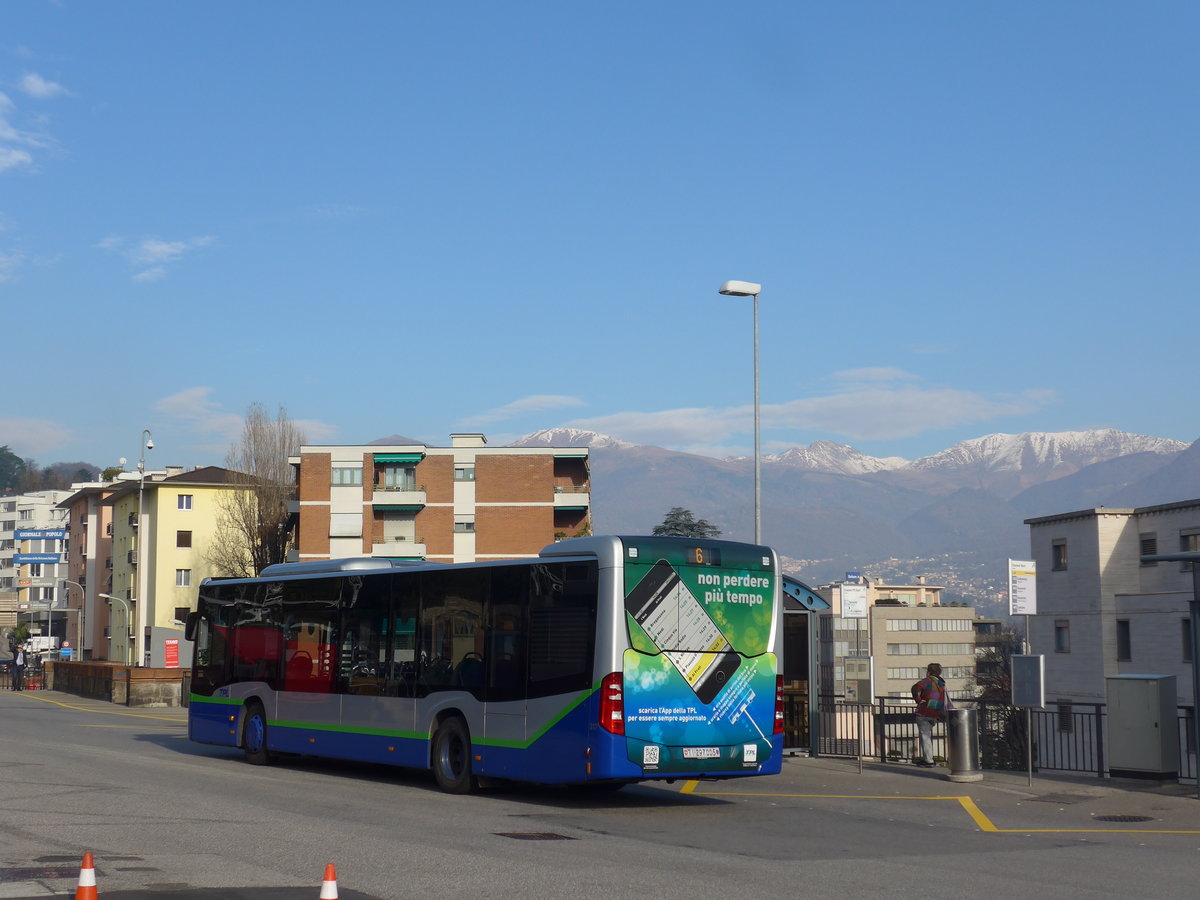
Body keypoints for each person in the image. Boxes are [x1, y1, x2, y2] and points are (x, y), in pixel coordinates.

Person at [911, 662, 948, 767]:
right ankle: (927, 758)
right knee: (926, 735)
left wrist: (918, 700)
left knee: (925, 736)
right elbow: (936, 696)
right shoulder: (941, 683)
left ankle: (928, 760)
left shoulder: (928, 681)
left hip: (924, 712)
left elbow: (915, 688)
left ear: (929, 671)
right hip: (935, 712)